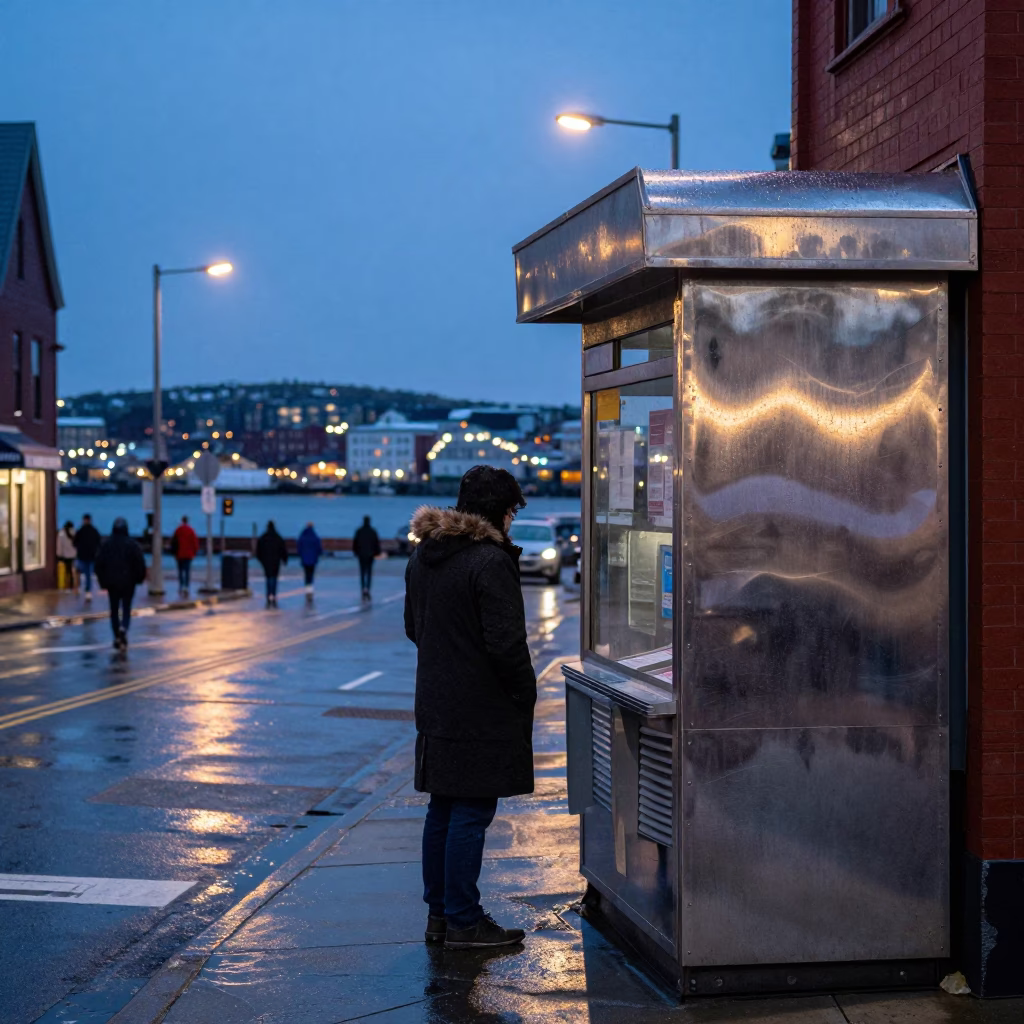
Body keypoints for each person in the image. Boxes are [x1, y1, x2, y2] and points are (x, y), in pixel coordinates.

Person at [404, 465, 536, 950]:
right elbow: (506, 645)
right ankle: (463, 920)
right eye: (511, 513)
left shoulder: (424, 556)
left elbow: (413, 627)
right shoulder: (489, 561)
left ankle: (440, 916)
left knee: (443, 808)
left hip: (436, 702)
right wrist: (525, 693)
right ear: (500, 513)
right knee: (472, 812)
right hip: (481, 707)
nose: (511, 523)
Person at [95, 518, 147, 650]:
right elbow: (139, 564)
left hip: (112, 582)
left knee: (114, 609)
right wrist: (139, 578)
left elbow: (99, 564)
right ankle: (124, 627)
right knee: (126, 607)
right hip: (128, 582)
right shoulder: (132, 545)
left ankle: (116, 633)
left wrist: (102, 581)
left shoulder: (107, 545)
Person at [256, 520, 288, 607]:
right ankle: (273, 595)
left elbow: (258, 551)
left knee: (268, 578)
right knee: (274, 578)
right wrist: (284, 560)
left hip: (266, 561)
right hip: (275, 561)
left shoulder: (263, 538)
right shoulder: (278, 537)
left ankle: (268, 595)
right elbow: (283, 550)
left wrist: (261, 560)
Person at [73, 513, 101, 601]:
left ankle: (79, 588)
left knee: (78, 572)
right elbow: (98, 542)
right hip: (91, 556)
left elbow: (75, 543)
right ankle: (87, 591)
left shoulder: (80, 531)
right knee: (88, 574)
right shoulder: (94, 531)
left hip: (82, 555)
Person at [171, 515, 200, 598]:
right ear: (187, 521)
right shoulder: (191, 530)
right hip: (188, 554)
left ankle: (181, 585)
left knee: (180, 571)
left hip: (179, 554)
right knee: (187, 571)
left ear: (181, 521)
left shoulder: (178, 530)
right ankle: (186, 586)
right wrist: (194, 552)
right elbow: (195, 542)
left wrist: (174, 552)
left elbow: (173, 542)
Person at [353, 515, 381, 601]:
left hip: (361, 555)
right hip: (370, 555)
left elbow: (355, 543)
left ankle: (363, 589)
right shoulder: (373, 531)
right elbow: (376, 543)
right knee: (369, 572)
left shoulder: (359, 531)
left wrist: (356, 552)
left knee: (362, 572)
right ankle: (368, 589)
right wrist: (377, 552)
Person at [296, 521, 323, 597]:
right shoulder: (315, 536)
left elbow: (299, 547)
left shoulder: (303, 536)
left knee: (306, 573)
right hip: (313, 559)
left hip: (304, 558)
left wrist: (300, 555)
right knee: (311, 573)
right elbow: (319, 548)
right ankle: (310, 586)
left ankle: (307, 586)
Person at [56, 521, 77, 590]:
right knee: (74, 570)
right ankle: (74, 584)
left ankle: (67, 585)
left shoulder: (61, 534)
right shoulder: (75, 532)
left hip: (66, 555)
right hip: (74, 555)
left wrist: (59, 554)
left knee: (67, 571)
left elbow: (59, 545)